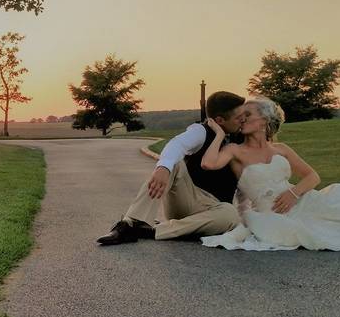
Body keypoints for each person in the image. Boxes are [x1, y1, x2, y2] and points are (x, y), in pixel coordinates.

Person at [199, 97, 340, 251]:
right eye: (241, 116)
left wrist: (294, 192)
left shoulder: (282, 149)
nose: (242, 119)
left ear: (265, 121)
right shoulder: (234, 150)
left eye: (248, 114)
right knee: (322, 231)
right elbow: (209, 164)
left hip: (302, 201)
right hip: (271, 213)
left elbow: (312, 177)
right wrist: (219, 134)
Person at [96, 91, 247, 245]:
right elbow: (177, 144)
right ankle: (129, 224)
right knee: (173, 162)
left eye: (244, 115)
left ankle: (152, 231)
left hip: (215, 211)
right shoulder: (201, 131)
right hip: (188, 199)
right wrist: (163, 168)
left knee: (231, 215)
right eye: (238, 117)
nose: (243, 120)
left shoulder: (243, 137)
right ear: (220, 120)